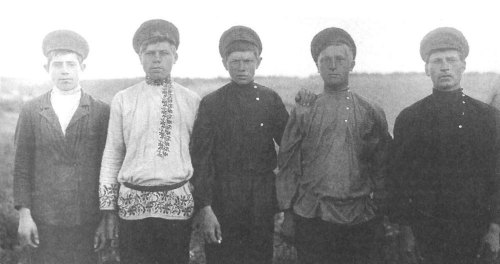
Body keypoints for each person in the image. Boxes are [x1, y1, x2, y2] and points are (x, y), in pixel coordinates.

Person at [276, 27, 391, 264]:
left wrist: (382, 208)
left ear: (352, 64)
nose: (333, 65)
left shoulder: (370, 110)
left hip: (361, 217)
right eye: (325, 60)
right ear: (317, 66)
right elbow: (288, 164)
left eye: (340, 59)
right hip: (312, 217)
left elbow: (382, 165)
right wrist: (288, 214)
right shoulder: (305, 109)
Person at [388, 27, 500, 264]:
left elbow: (497, 178)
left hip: (476, 235)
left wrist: (495, 229)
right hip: (427, 234)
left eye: (451, 60)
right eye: (437, 61)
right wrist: (406, 232)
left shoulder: (488, 118)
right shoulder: (410, 119)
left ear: (463, 66)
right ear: (427, 69)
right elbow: (400, 180)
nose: (445, 66)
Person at [98, 19, 200, 264]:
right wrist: (108, 210)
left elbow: (200, 157)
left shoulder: (191, 100)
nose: (157, 59)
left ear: (175, 57)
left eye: (163, 53)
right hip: (132, 207)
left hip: (177, 206)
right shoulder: (123, 99)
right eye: (149, 53)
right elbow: (112, 155)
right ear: (140, 57)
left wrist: (203, 205)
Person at [190, 25, 289, 264]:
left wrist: (285, 202)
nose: (242, 67)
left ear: (259, 61)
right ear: (224, 62)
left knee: (259, 257)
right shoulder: (211, 104)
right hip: (223, 199)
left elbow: (290, 147)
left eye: (248, 60)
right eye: (235, 61)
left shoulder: (270, 99)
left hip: (261, 199)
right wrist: (205, 207)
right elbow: (201, 159)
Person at [13, 29, 110, 263]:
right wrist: (25, 215)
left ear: (82, 68)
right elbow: (22, 167)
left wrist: (107, 218)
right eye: (57, 64)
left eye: (71, 64)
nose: (64, 70)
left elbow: (109, 168)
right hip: (44, 220)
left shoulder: (100, 111)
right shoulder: (32, 110)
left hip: (86, 220)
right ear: (47, 68)